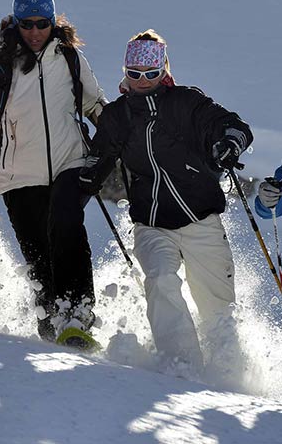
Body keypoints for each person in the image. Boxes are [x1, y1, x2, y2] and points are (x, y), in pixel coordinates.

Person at [0, 0, 107, 343]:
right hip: (19, 176)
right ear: (16, 24)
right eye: (27, 24)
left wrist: (112, 128)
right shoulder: (0, 65)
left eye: (42, 23)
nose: (34, 31)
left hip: (69, 162)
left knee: (66, 225)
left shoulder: (69, 58)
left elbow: (94, 103)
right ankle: (50, 324)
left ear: (53, 23)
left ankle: (78, 311)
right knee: (38, 255)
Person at [79, 29, 253, 367]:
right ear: (125, 73)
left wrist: (228, 143)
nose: (142, 81)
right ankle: (180, 365)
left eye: (151, 73)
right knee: (159, 279)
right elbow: (99, 159)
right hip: (152, 225)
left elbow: (232, 125)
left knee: (217, 306)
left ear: (163, 71)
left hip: (201, 220)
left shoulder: (186, 103)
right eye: (134, 74)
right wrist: (86, 175)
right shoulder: (118, 117)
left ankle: (229, 370)